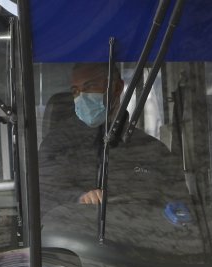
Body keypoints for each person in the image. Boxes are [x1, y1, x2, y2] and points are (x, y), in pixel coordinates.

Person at [38, 63, 183, 215]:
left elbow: (181, 209)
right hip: (74, 235)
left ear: (117, 87)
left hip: (143, 235)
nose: (82, 97)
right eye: (76, 91)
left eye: (90, 87)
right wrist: (80, 199)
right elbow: (43, 195)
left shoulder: (152, 151)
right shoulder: (56, 146)